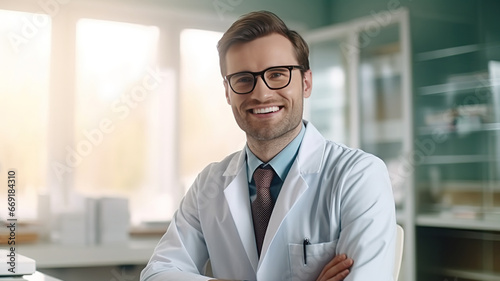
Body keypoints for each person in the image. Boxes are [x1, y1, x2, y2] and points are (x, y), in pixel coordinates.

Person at [141, 10, 396, 281]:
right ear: (228, 92)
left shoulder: (358, 175)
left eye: (277, 74)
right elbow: (157, 274)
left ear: (306, 82)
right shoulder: (209, 184)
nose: (261, 94)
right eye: (243, 79)